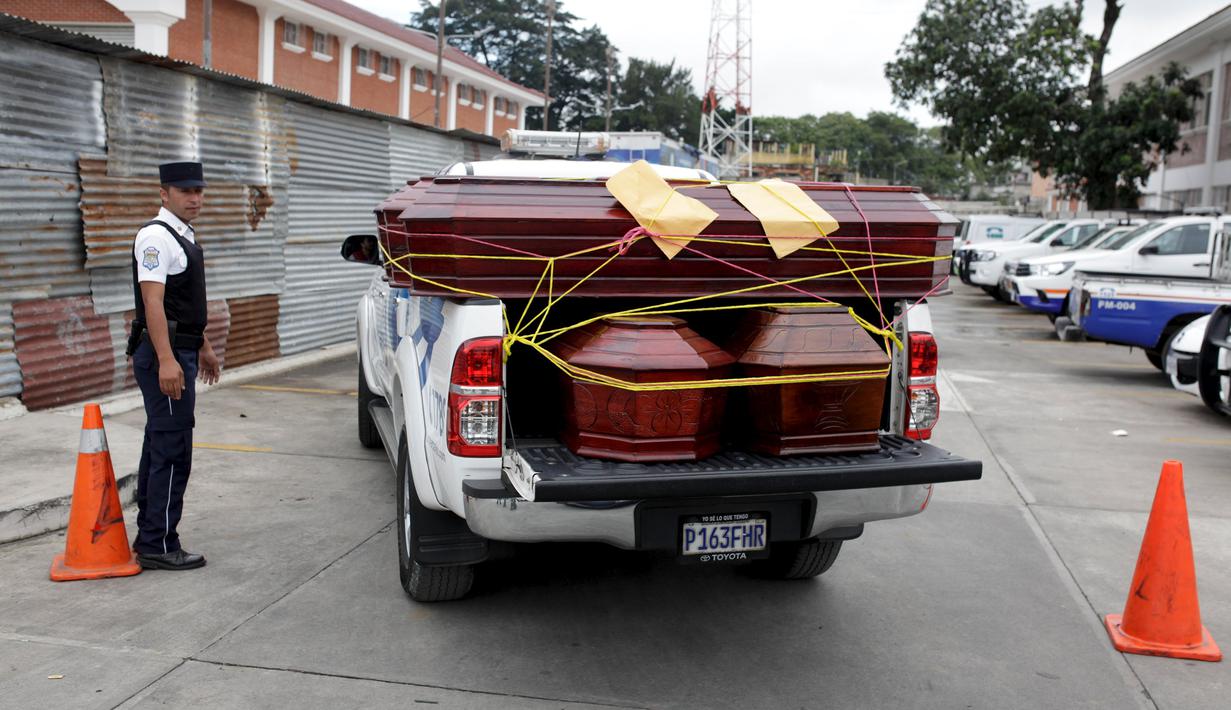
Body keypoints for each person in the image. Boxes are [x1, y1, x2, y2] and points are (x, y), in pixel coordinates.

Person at [127, 161, 221, 570]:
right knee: (172, 448)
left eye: (199, 190)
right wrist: (167, 360)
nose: (195, 198)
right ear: (164, 194)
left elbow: (178, 303)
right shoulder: (155, 237)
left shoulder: (183, 235)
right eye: (185, 191)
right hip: (164, 355)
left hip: (179, 350)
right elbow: (153, 303)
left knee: (161, 442)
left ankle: (150, 533)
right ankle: (159, 544)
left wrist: (203, 344)